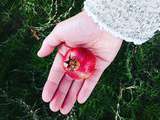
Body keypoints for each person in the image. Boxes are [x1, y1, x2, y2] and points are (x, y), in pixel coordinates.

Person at [37, 0, 160, 115]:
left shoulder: (71, 62)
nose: (71, 64)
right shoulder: (72, 62)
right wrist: (106, 17)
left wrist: (104, 16)